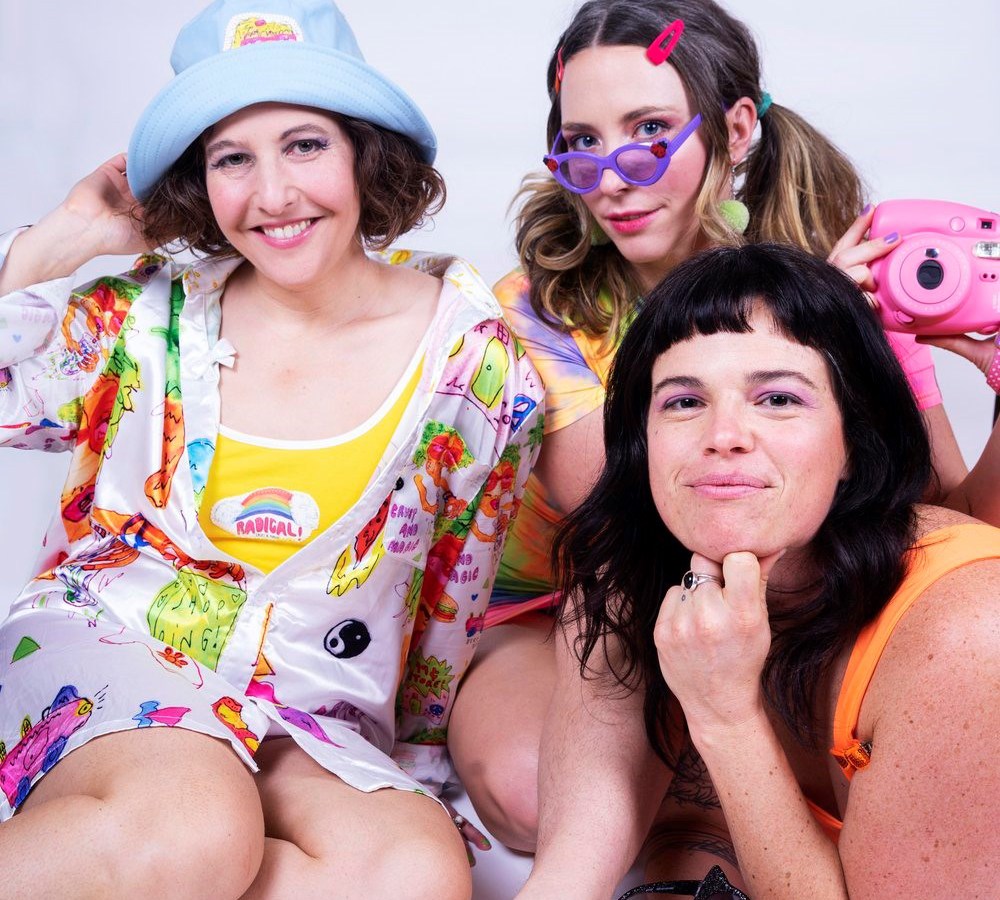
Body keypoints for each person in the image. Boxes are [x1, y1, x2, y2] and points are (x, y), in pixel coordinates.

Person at [444, 0, 1000, 886]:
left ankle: (720, 808)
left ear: (736, 128)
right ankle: (715, 824)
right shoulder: (537, 305)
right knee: (532, 788)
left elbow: (942, 518)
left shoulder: (836, 278)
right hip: (579, 588)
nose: (612, 176)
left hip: (787, 587)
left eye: (648, 131)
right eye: (581, 142)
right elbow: (653, 513)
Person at [0, 1, 542, 896]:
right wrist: (64, 238)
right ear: (200, 180)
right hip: (114, 640)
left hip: (308, 697)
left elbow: (453, 593)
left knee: (413, 873)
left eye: (304, 145)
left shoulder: (475, 367)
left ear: (365, 153)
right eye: (232, 159)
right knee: (194, 826)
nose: (274, 194)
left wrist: (414, 769)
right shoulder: (142, 318)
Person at [554, 242, 1000, 896]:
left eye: (779, 399)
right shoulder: (625, 581)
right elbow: (567, 876)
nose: (723, 435)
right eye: (683, 402)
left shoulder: (968, 633)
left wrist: (726, 718)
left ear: (854, 444)